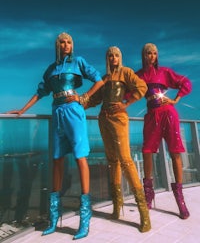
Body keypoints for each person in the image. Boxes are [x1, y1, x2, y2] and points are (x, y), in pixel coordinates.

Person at [7, 32, 104, 240]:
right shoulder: (51, 69)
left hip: (74, 111)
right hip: (57, 112)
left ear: (72, 44)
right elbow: (41, 91)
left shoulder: (78, 62)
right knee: (57, 160)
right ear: (57, 45)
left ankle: (84, 218)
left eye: (69, 41)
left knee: (80, 157)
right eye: (62, 41)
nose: (66, 44)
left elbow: (99, 80)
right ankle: (54, 218)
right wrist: (23, 110)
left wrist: (85, 97)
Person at [85, 46, 151, 233]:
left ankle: (144, 214)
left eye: (116, 55)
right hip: (103, 118)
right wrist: (77, 104)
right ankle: (117, 207)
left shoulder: (126, 72)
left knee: (126, 160)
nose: (113, 57)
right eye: (110, 55)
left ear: (119, 57)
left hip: (118, 118)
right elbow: (94, 99)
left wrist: (126, 104)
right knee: (112, 161)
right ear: (107, 58)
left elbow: (142, 87)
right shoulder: (104, 79)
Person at [136, 43, 192, 219]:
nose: (151, 56)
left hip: (168, 113)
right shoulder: (138, 75)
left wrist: (175, 100)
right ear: (143, 55)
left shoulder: (165, 72)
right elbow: (126, 92)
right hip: (152, 115)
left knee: (175, 152)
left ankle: (180, 199)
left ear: (156, 56)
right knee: (147, 152)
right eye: (148, 53)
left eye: (154, 53)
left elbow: (185, 83)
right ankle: (148, 193)